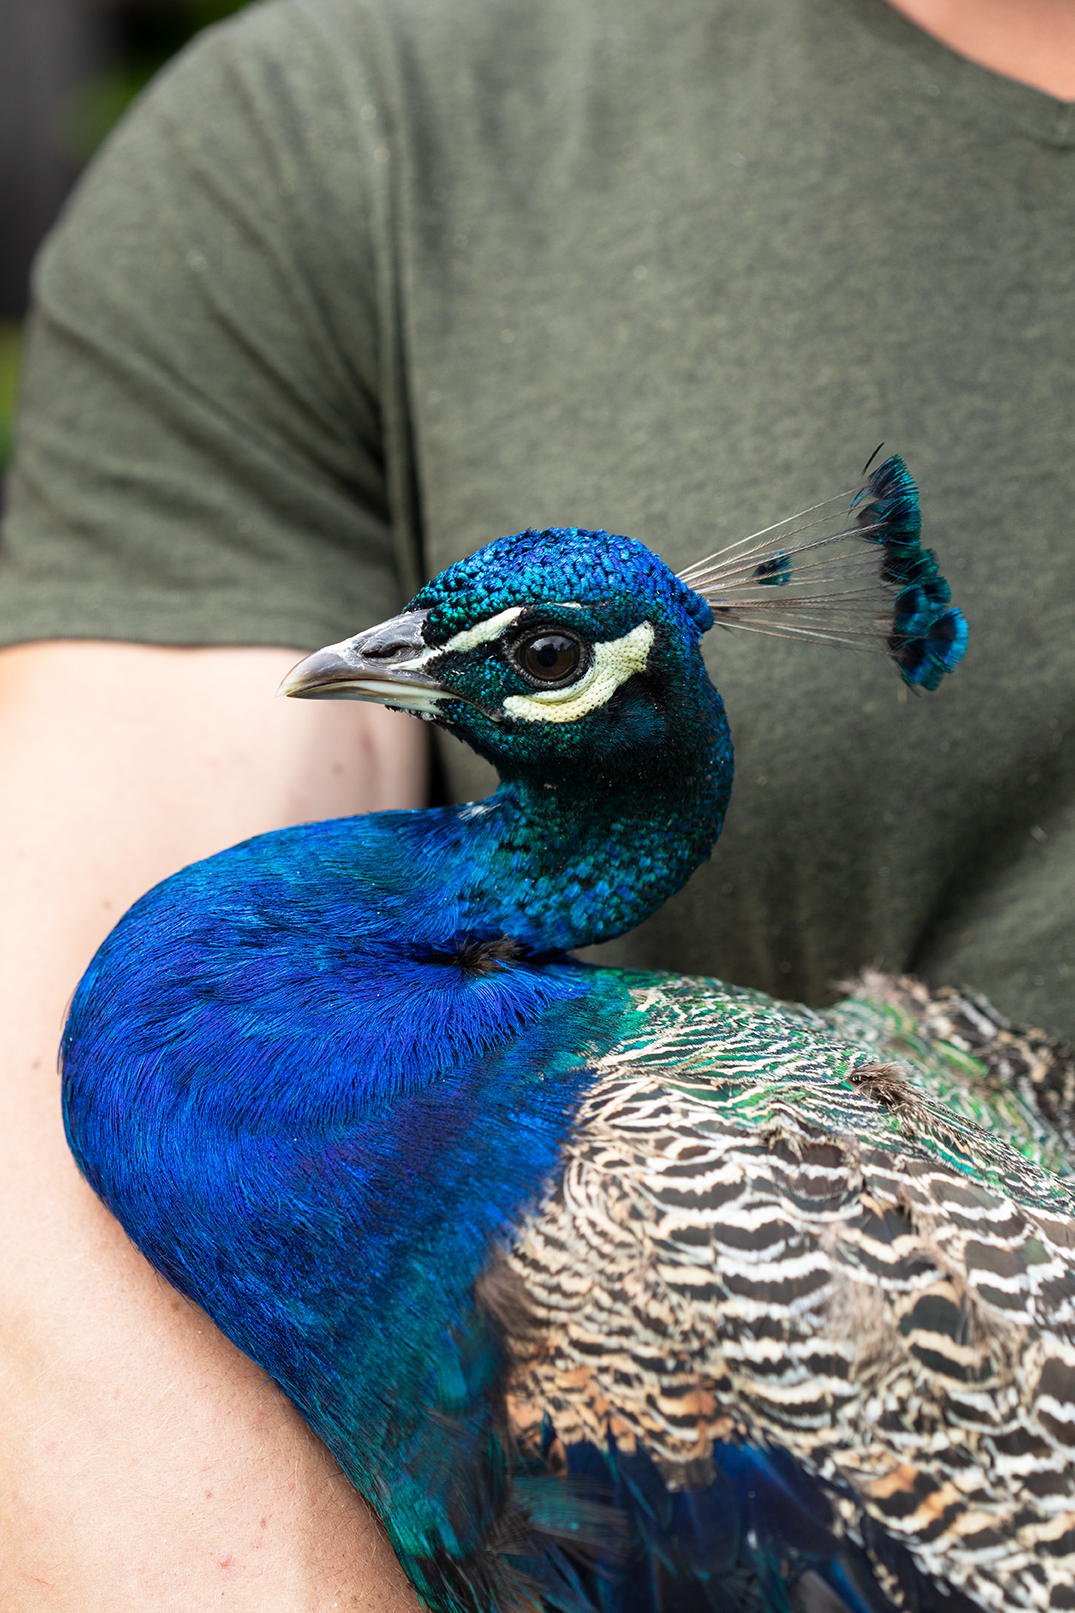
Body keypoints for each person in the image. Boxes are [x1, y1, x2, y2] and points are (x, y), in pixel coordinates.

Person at [0, 0, 1071, 1605]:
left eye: (538, 658)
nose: (383, 664)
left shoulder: (653, 1188)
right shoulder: (357, 124)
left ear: (640, 704)